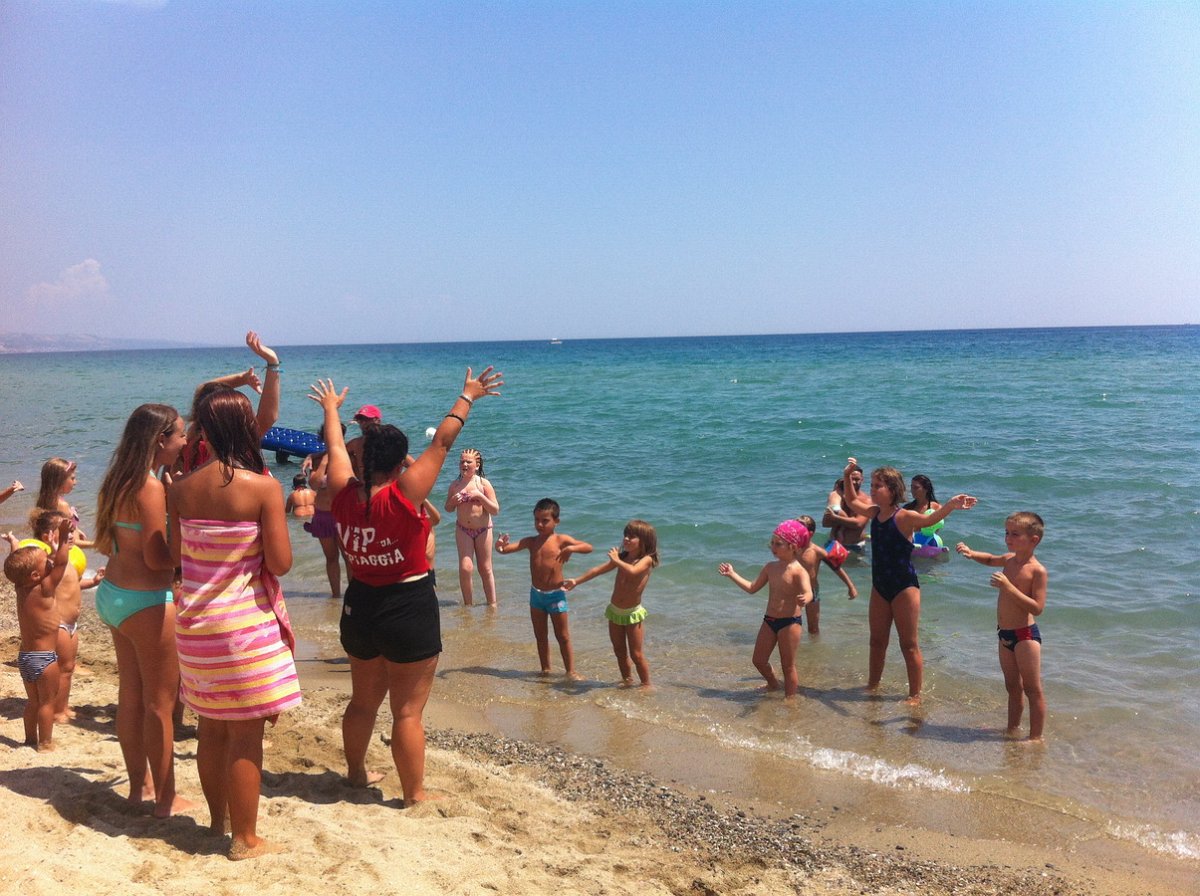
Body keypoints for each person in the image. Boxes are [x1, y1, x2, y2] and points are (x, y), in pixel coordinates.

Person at [311, 366, 503, 805]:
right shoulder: (402, 496)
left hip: (360, 605)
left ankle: (356, 774)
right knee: (408, 712)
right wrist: (467, 396)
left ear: (363, 461)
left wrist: (330, 409)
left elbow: (336, 447)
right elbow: (443, 443)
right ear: (400, 464)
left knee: (363, 703)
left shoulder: (342, 494)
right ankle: (414, 793)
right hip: (407, 605)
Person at [168, 387, 301, 859]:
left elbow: (176, 556)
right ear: (246, 429)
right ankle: (244, 839)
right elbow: (281, 563)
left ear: (202, 430)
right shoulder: (263, 487)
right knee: (246, 735)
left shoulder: (180, 489)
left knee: (211, 728)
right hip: (243, 627)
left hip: (195, 626)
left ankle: (217, 822)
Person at [93, 403, 191, 817]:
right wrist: (179, 514)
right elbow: (157, 558)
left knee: (131, 698)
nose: (185, 441)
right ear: (160, 440)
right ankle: (166, 799)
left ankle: (140, 788)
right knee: (160, 705)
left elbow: (112, 543)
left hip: (114, 594)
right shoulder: (150, 488)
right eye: (180, 434)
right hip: (146, 601)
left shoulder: (118, 478)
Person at [841, 457, 976, 704]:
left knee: (909, 644)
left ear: (893, 490)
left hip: (904, 587)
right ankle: (873, 684)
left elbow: (929, 521)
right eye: (871, 485)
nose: (872, 490)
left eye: (878, 486)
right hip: (880, 586)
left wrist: (950, 505)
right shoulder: (874, 513)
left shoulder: (904, 517)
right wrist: (848, 475)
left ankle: (915, 695)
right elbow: (851, 501)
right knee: (876, 641)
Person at [956, 512, 1048, 742]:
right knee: (1012, 687)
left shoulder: (1037, 570)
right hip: (1004, 635)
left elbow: (1037, 607)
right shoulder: (1009, 560)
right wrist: (971, 553)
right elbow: (989, 559)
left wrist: (1008, 587)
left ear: (1034, 540)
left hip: (1025, 636)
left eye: (1015, 534)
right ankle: (1012, 729)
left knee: (1032, 689)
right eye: (1007, 533)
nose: (1008, 538)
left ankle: (1035, 737)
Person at [16, 511, 105, 722]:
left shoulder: (68, 561)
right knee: (62, 670)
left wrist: (93, 582)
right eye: (65, 532)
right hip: (60, 625)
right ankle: (56, 709)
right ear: (47, 537)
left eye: (71, 531)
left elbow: (73, 584)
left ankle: (62, 706)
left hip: (72, 624)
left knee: (68, 668)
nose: (71, 536)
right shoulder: (50, 564)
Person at [496, 499, 593, 679]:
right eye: (537, 520)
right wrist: (499, 546)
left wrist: (571, 548)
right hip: (536, 596)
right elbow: (505, 550)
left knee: (563, 636)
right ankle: (545, 669)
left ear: (556, 521)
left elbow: (588, 547)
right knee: (540, 636)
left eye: (545, 520)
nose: (539, 524)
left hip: (556, 596)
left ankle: (570, 671)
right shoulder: (531, 541)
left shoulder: (561, 540)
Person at [717, 520, 813, 697]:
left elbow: (809, 592)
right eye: (772, 543)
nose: (773, 547)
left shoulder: (798, 571)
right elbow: (752, 588)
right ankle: (773, 683)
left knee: (788, 666)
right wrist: (732, 574)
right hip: (769, 620)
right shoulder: (770, 567)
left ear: (792, 546)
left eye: (778, 544)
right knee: (759, 660)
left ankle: (790, 700)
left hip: (790, 623)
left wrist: (805, 598)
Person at [564, 520, 659, 688]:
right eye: (625, 535)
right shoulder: (622, 558)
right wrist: (576, 581)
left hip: (632, 613)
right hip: (615, 611)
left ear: (644, 541)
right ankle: (627, 680)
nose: (626, 539)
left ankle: (646, 685)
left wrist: (616, 560)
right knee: (619, 651)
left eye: (632, 536)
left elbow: (633, 572)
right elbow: (597, 570)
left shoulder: (646, 560)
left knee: (636, 654)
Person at [3, 518, 72, 750]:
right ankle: (45, 742)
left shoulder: (20, 587)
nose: (51, 562)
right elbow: (62, 563)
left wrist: (14, 544)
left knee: (33, 702)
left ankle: (30, 738)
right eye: (46, 562)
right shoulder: (44, 588)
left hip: (25, 658)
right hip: (45, 659)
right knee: (47, 703)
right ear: (35, 575)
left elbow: (16, 566)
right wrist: (64, 537)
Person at [179, 331, 281, 473]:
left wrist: (243, 378)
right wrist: (273, 362)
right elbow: (268, 416)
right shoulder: (238, 448)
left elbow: (202, 389)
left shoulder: (191, 442)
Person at [444, 448, 501, 606]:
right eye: (462, 461)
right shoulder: (455, 485)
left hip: (483, 530)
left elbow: (495, 510)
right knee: (465, 567)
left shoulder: (483, 484)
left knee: (485, 568)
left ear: (477, 465)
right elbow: (448, 508)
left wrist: (480, 497)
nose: (464, 464)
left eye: (468, 462)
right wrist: (453, 502)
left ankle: (492, 604)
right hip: (463, 530)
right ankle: (468, 605)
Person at [304, 422, 349, 600]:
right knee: (331, 558)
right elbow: (314, 484)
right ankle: (336, 597)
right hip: (323, 514)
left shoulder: (348, 456)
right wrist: (323, 460)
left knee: (349, 558)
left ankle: (353, 596)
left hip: (344, 515)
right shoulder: (316, 460)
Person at [795, 515, 858, 633]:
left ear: (810, 533)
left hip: (813, 591)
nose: (796, 531)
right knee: (792, 623)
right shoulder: (791, 548)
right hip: (793, 591)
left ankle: (814, 644)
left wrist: (851, 586)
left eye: (800, 528)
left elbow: (836, 568)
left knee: (813, 628)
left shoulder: (817, 551)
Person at [34, 457, 92, 546]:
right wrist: (97, 544)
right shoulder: (62, 505)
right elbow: (70, 542)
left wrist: (77, 530)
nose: (75, 482)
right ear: (60, 481)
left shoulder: (44, 501)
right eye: (72, 478)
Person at [822, 465, 869, 552]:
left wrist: (836, 518)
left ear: (862, 480)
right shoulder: (837, 495)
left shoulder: (867, 500)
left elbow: (858, 524)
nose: (854, 482)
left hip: (857, 545)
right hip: (835, 544)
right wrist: (847, 521)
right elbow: (825, 523)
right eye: (851, 479)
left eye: (857, 479)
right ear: (846, 479)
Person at [905, 474, 945, 550]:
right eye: (911, 487)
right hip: (911, 546)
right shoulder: (907, 508)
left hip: (928, 545)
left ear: (926, 489)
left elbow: (936, 530)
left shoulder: (936, 507)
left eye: (916, 487)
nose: (912, 490)